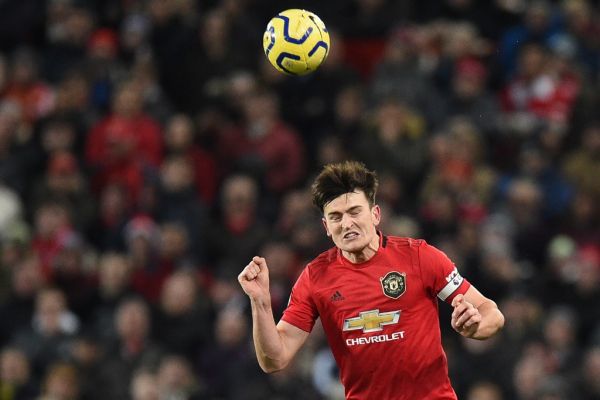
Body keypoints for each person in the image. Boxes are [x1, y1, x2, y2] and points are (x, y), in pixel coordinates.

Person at [238, 161, 505, 399]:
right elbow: (275, 359)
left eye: (355, 211)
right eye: (336, 217)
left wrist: (474, 327)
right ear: (326, 228)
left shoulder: (419, 257)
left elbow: (492, 313)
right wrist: (260, 302)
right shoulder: (315, 277)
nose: (346, 224)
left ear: (375, 215)